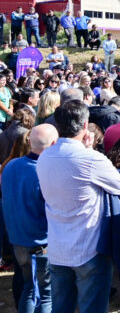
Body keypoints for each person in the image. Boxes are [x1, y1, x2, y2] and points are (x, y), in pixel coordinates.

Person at [36, 100, 120, 313]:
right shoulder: (91, 159)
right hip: (88, 248)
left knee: (61, 307)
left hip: (58, 247)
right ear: (86, 125)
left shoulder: (45, 156)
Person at [2, 124, 57, 313]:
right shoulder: (44, 172)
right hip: (41, 245)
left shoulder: (10, 166)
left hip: (18, 242)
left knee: (29, 288)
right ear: (54, 143)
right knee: (46, 293)